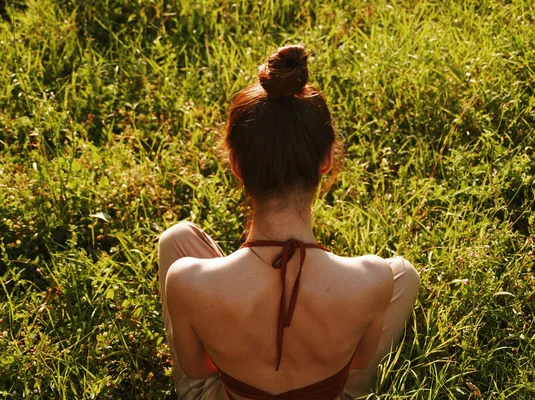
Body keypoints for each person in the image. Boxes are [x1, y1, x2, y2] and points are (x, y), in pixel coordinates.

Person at [158, 45, 420, 400]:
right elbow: (358, 361)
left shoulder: (185, 281)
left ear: (235, 164)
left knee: (176, 239)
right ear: (327, 159)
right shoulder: (373, 277)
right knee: (403, 272)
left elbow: (198, 369)